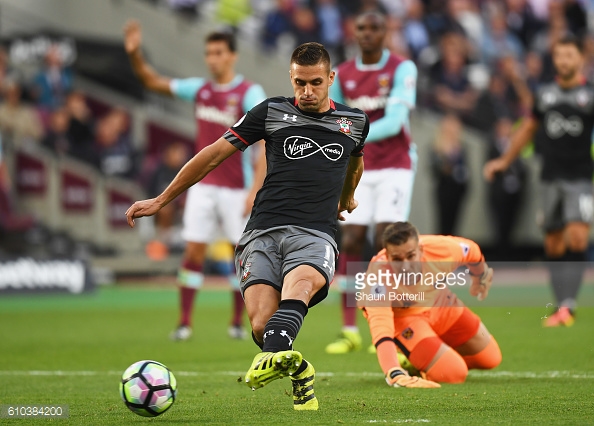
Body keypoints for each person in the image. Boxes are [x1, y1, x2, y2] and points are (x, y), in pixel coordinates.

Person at [126, 42, 370, 410]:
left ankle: (266, 360)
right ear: (291, 77)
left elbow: (355, 161)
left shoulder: (354, 122)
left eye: (315, 83)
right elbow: (213, 154)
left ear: (331, 78)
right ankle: (299, 372)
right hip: (262, 232)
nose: (306, 91)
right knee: (261, 325)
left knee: (299, 286)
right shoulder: (271, 111)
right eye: (299, 82)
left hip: (315, 233)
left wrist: (347, 197)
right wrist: (163, 199)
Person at [124, 21, 267, 340]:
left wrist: (255, 190)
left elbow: (264, 146)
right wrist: (135, 55)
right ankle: (185, 322)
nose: (212, 59)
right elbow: (150, 80)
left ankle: (236, 323)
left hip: (237, 189)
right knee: (193, 252)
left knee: (240, 256)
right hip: (203, 187)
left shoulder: (249, 92)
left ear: (233, 56)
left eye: (219, 52)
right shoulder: (200, 89)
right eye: (208, 53)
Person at [325, 11, 418, 354]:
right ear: (354, 31)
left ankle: (396, 324)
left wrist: (354, 139)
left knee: (385, 238)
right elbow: (333, 118)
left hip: (395, 164)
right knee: (350, 238)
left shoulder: (402, 68)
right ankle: (349, 330)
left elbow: (395, 122)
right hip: (358, 167)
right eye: (361, 28)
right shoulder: (343, 74)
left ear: (386, 31)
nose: (366, 34)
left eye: (374, 28)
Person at [484, 34, 593, 327]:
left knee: (578, 235)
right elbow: (527, 129)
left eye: (570, 55)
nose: (564, 61)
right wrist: (504, 161)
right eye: (560, 55)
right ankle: (561, 305)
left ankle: (568, 306)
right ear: (555, 59)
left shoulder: (590, 95)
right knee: (554, 243)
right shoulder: (544, 95)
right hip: (549, 177)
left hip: (581, 176)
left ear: (580, 59)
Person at [360, 222, 501, 385]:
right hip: (407, 321)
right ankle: (420, 359)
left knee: (490, 358)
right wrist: (394, 372)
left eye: (411, 256)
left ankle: (428, 357)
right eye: (397, 259)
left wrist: (479, 276)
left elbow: (472, 251)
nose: (405, 266)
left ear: (421, 250)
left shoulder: (442, 249)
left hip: (441, 304)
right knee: (455, 373)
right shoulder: (377, 278)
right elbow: (381, 328)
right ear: (387, 257)